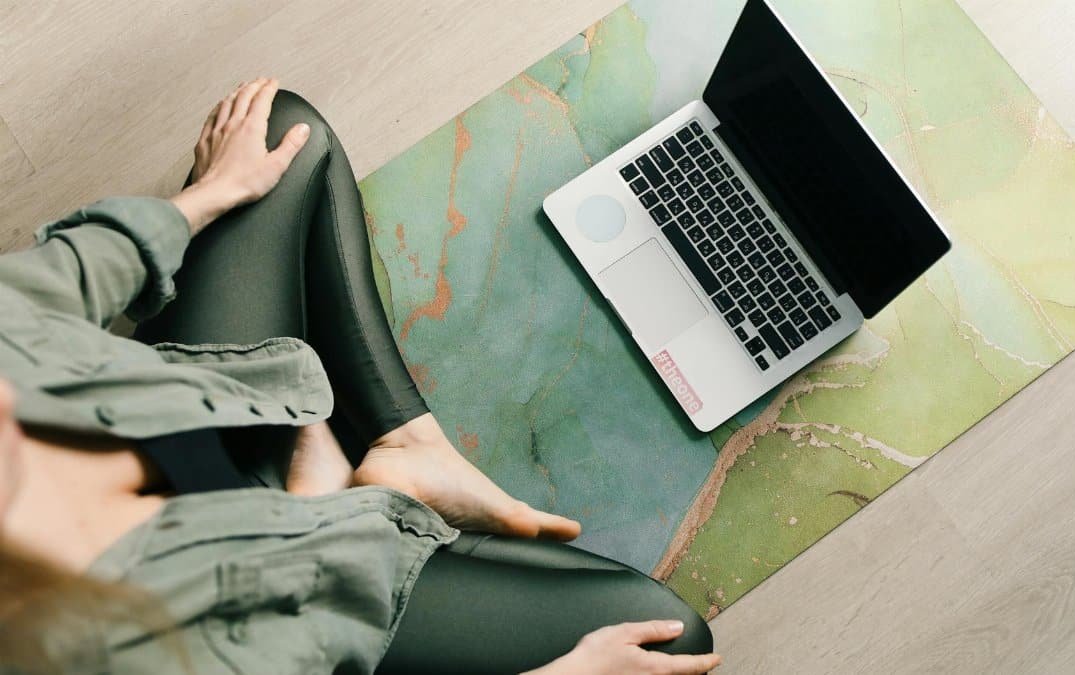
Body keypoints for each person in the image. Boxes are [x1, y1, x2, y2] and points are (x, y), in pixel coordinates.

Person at [0, 79, 720, 674]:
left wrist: (211, 194)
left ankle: (407, 442)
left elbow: (38, 292)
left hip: (218, 420)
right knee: (670, 635)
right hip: (304, 587)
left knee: (287, 130)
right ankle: (373, 488)